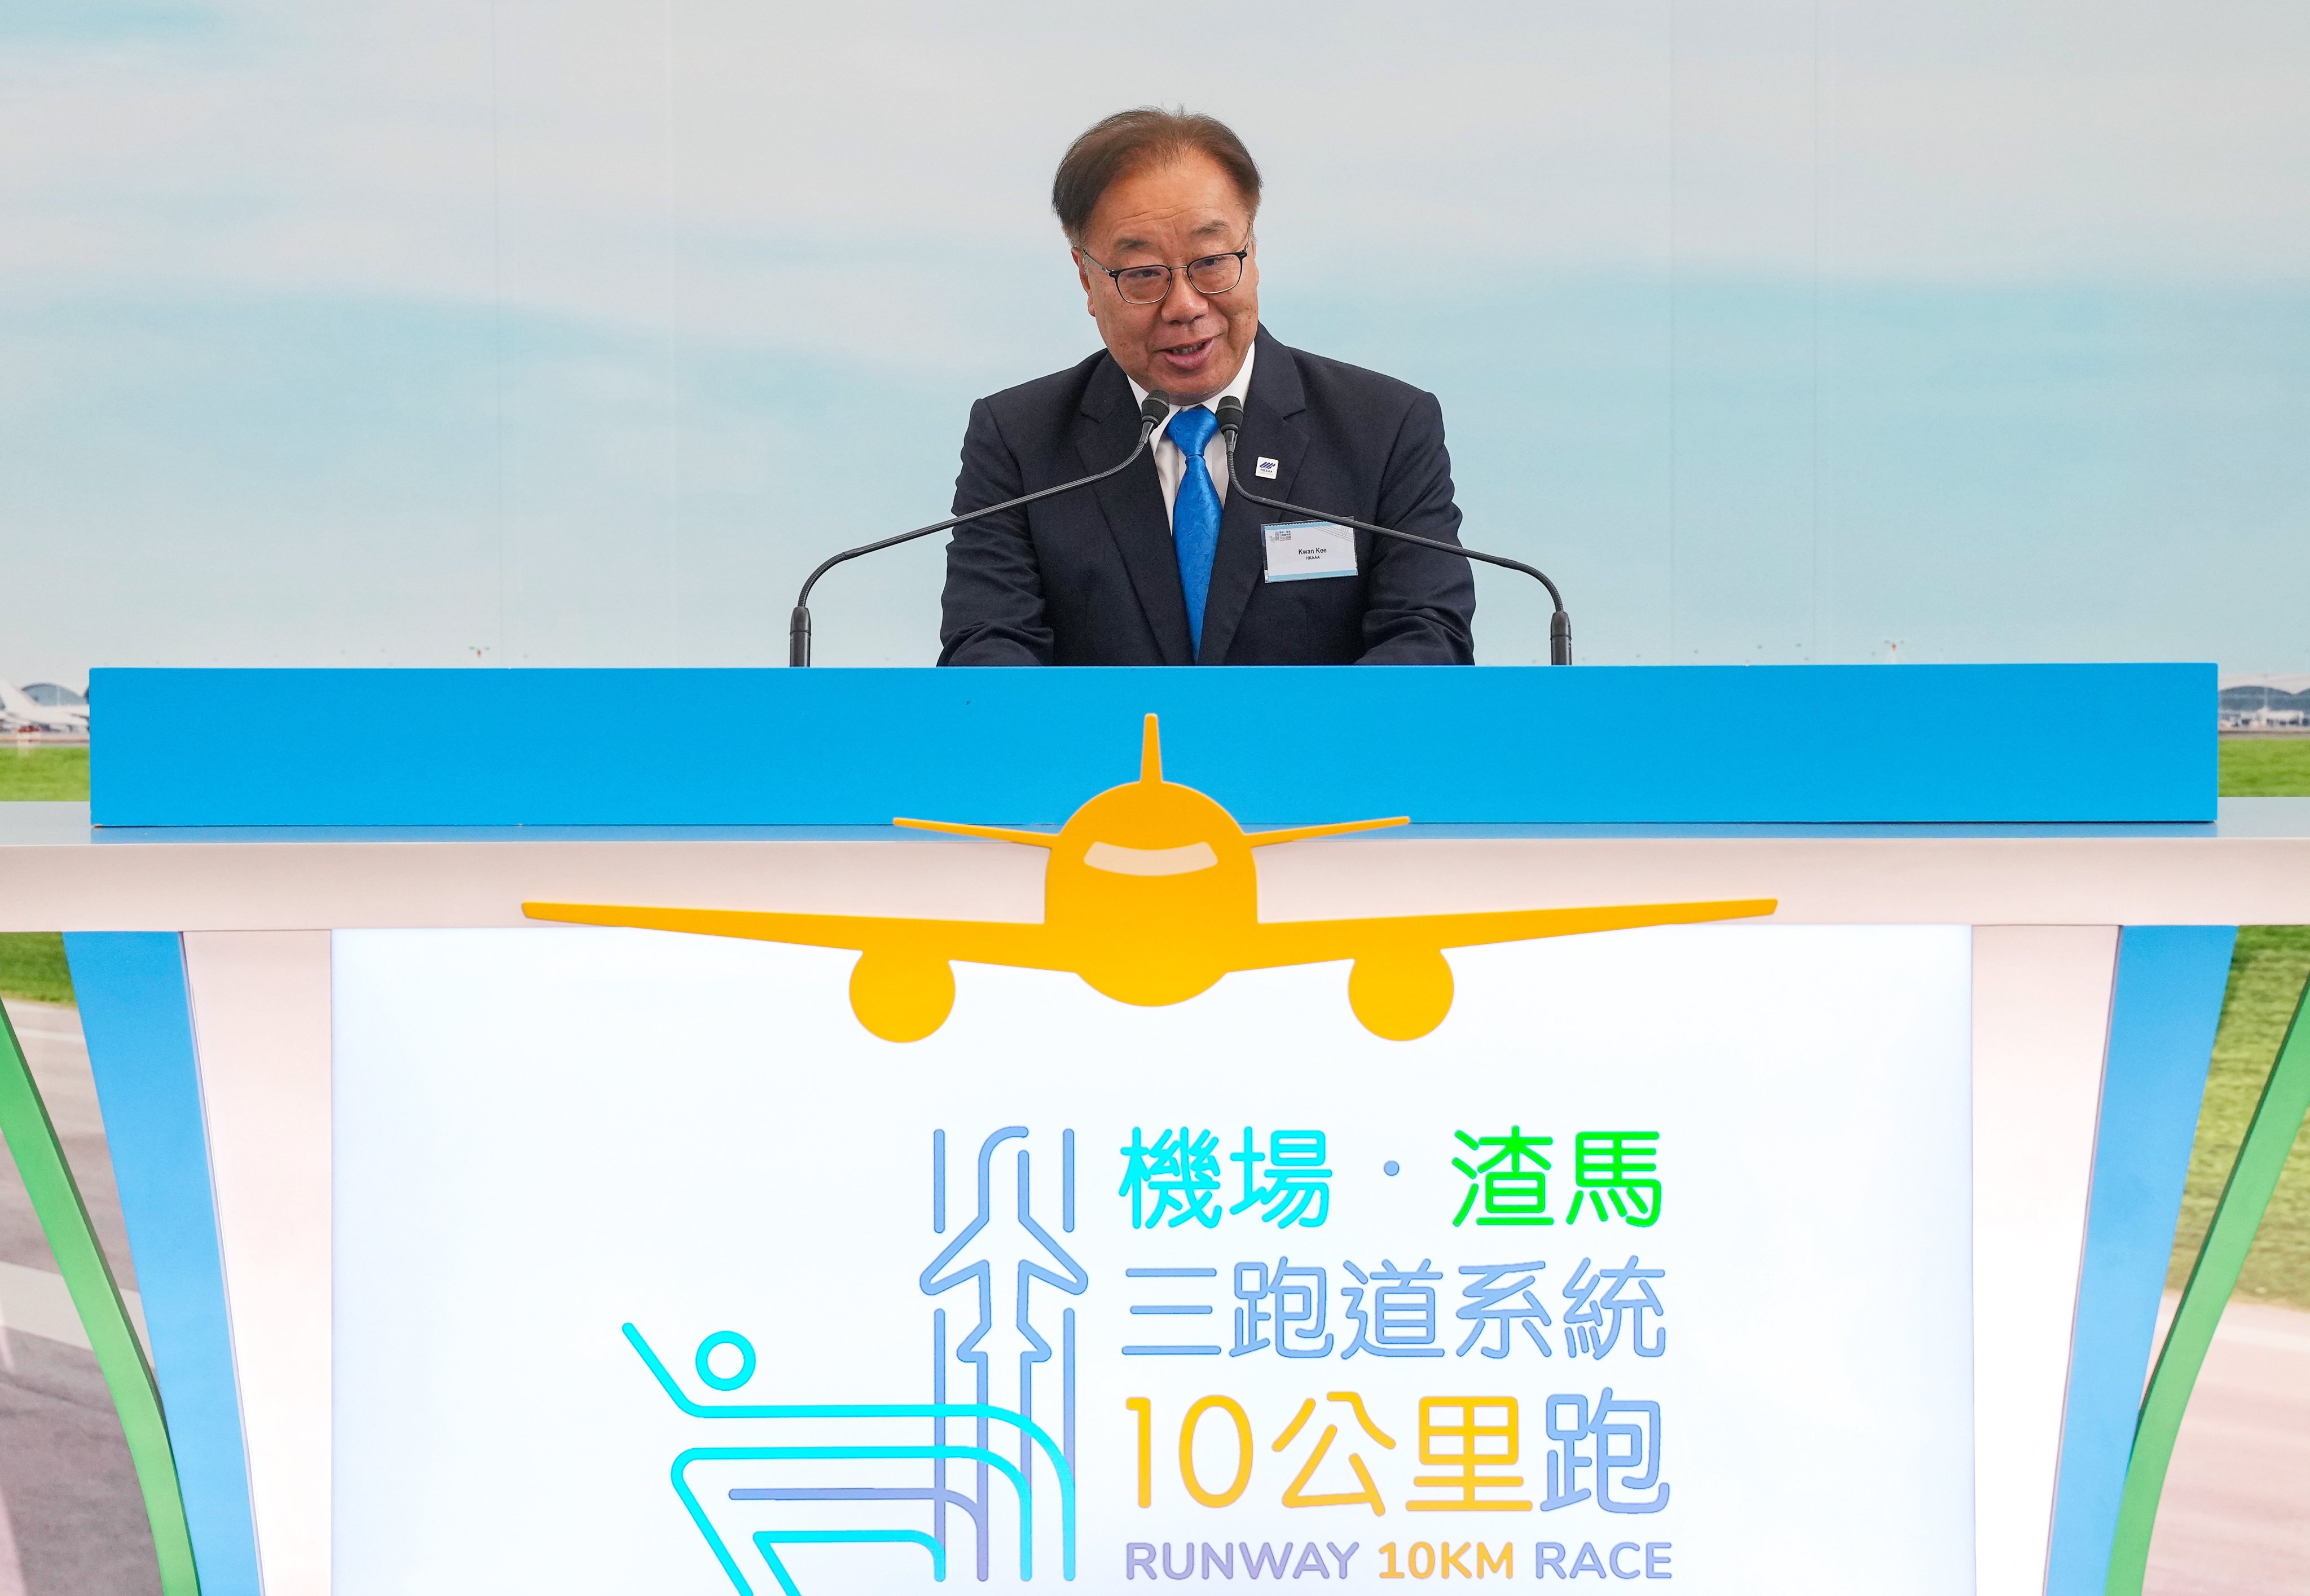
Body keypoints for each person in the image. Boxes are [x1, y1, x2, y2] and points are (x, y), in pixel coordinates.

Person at [938, 108, 1477, 667]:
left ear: (1253, 250)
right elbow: (990, 650)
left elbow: (1426, 641)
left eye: (1213, 262)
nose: (1185, 307)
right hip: (1103, 755)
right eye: (1143, 274)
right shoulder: (1019, 443)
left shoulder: (1384, 429)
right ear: (1086, 279)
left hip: (1319, 753)